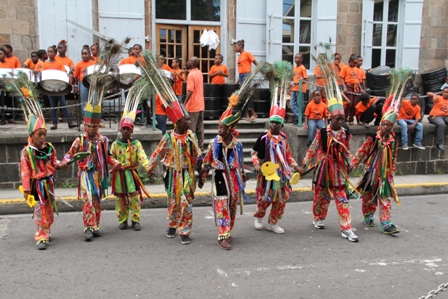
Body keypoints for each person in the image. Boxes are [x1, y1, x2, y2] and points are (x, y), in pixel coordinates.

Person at [11, 81, 63, 250]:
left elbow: (53, 162)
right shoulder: (27, 152)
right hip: (37, 186)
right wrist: (26, 190)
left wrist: (61, 165)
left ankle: (46, 230)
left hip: (49, 183)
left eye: (44, 134)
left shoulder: (49, 148)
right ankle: (41, 235)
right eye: (39, 135)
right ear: (31, 135)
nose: (42, 138)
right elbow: (25, 172)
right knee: (39, 210)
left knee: (49, 210)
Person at [61, 101, 121, 241]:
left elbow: (107, 157)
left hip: (98, 175)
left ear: (98, 126)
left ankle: (95, 226)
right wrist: (65, 162)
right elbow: (70, 154)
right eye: (88, 126)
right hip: (85, 175)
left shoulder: (102, 141)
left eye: (94, 126)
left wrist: (115, 163)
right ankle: (88, 227)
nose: (91, 129)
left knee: (97, 200)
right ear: (84, 125)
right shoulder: (79, 141)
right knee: (88, 200)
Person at [302, 97, 358, 242]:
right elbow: (313, 149)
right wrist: (303, 165)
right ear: (331, 118)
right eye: (338, 119)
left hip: (339, 171)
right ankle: (318, 217)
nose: (340, 122)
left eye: (342, 119)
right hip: (323, 170)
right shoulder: (322, 133)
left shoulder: (345, 133)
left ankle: (346, 228)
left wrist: (349, 163)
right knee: (321, 197)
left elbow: (347, 151)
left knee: (342, 198)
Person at [147, 111, 202, 245]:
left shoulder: (191, 136)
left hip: (187, 174)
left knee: (186, 202)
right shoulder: (168, 137)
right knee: (173, 202)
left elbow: (197, 154)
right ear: (177, 122)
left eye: (190, 120)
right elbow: (158, 153)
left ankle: (185, 230)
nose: (189, 122)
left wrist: (201, 168)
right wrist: (150, 167)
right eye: (186, 120)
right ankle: (172, 224)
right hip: (172, 175)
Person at [199, 102, 248, 250]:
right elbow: (207, 160)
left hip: (233, 178)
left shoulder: (237, 144)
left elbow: (240, 162)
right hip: (220, 177)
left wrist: (243, 176)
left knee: (232, 206)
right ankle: (222, 235)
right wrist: (202, 176)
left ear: (230, 129)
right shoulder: (214, 143)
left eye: (222, 127)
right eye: (219, 127)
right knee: (222, 206)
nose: (219, 130)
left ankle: (228, 231)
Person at [252, 106, 304, 234]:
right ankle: (259, 217)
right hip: (267, 173)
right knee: (265, 198)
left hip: (281, 173)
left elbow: (288, 155)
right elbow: (254, 153)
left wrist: (296, 166)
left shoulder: (284, 138)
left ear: (281, 125)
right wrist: (256, 164)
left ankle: (273, 223)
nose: (274, 125)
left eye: (277, 123)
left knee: (282, 199)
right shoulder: (263, 137)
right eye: (272, 122)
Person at [352, 110, 401, 235]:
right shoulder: (373, 138)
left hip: (385, 174)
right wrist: (353, 164)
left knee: (385, 196)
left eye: (389, 125)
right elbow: (362, 151)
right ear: (380, 125)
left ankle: (386, 223)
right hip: (371, 172)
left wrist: (392, 170)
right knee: (368, 195)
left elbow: (394, 157)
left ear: (392, 127)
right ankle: (368, 215)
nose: (386, 127)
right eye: (384, 124)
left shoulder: (393, 141)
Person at [110, 98, 151, 231]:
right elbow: (109, 157)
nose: (126, 131)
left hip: (132, 174)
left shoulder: (136, 144)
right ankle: (122, 220)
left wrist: (148, 166)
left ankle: (135, 219)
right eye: (124, 129)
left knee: (134, 197)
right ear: (121, 130)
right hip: (120, 174)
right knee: (121, 198)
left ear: (132, 130)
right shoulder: (115, 145)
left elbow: (143, 156)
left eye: (128, 129)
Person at [41, 45, 77, 130]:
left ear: (55, 53)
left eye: (51, 52)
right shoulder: (45, 64)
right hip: (50, 87)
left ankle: (70, 122)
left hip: (59, 87)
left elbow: (64, 73)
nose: (49, 53)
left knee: (63, 105)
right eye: (48, 52)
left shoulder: (59, 63)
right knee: (52, 106)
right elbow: (42, 73)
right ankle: (54, 123)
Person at [184, 56, 205, 150]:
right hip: (200, 104)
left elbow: (190, 91)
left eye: (189, 61)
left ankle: (193, 147)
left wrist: (184, 103)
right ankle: (201, 145)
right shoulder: (199, 73)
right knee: (200, 127)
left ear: (192, 64)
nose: (187, 62)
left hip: (193, 105)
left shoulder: (191, 75)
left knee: (192, 128)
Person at [234, 40, 258, 122]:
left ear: (240, 46)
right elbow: (241, 69)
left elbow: (255, 62)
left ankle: (253, 113)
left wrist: (260, 70)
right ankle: (247, 115)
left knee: (246, 94)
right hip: (241, 76)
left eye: (236, 46)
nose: (235, 48)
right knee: (243, 96)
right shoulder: (239, 56)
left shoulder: (247, 54)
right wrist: (238, 80)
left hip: (247, 76)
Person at [74, 46, 95, 115]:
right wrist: (76, 86)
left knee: (94, 101)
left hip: (92, 83)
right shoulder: (78, 64)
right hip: (82, 83)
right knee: (84, 102)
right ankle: (85, 117)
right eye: (82, 54)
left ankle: (94, 118)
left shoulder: (94, 63)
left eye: (86, 54)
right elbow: (76, 77)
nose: (84, 55)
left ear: (89, 54)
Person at [340, 54, 360, 126]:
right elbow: (341, 77)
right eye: (354, 63)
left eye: (356, 63)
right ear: (350, 62)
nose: (355, 64)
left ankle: (351, 120)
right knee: (349, 104)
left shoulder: (356, 69)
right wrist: (344, 87)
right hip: (348, 87)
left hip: (355, 87)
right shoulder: (345, 68)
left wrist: (360, 88)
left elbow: (357, 79)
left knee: (354, 104)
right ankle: (345, 119)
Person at [290, 53, 308, 123]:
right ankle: (299, 116)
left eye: (298, 58)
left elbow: (305, 79)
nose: (296, 59)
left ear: (301, 59)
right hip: (294, 88)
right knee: (292, 103)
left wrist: (298, 82)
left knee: (300, 103)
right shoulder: (294, 68)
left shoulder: (302, 68)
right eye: (295, 58)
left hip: (300, 89)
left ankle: (298, 118)